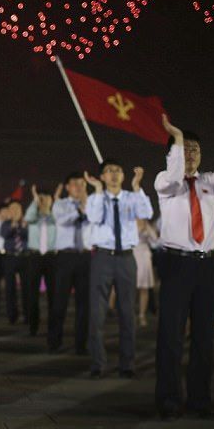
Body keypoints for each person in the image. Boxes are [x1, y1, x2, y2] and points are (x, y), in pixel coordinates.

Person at [154, 110, 214, 420]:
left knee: (204, 337)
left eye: (195, 149)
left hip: (207, 265)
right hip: (177, 265)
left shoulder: (209, 183)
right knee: (171, 335)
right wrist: (177, 140)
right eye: (184, 149)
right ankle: (168, 398)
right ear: (172, 155)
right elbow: (173, 175)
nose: (191, 154)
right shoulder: (166, 183)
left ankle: (199, 398)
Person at [84, 162, 153, 378]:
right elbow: (94, 218)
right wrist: (96, 190)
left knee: (127, 313)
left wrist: (136, 186)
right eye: (109, 171)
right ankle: (97, 362)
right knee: (97, 313)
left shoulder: (132, 197)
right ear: (102, 177)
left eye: (118, 171)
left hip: (126, 258)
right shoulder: (96, 198)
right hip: (102, 257)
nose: (114, 174)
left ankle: (127, 363)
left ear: (123, 175)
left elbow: (147, 212)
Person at [51, 173, 92, 354]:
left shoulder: (93, 204)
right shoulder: (60, 204)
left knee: (84, 304)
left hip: (85, 256)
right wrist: (81, 209)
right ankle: (54, 341)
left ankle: (81, 344)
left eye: (82, 184)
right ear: (67, 187)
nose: (79, 187)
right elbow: (63, 221)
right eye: (75, 184)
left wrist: (86, 205)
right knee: (60, 301)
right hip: (65, 258)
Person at [24, 185, 57, 340]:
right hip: (35, 257)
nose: (43, 201)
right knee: (32, 294)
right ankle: (33, 325)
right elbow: (28, 217)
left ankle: (53, 326)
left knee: (53, 295)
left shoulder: (56, 217)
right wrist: (35, 200)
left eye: (46, 198)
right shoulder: (33, 217)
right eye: (41, 199)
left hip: (52, 258)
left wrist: (52, 204)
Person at [0, 200, 28, 324]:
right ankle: (12, 314)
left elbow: (26, 235)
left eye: (17, 209)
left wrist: (21, 225)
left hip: (24, 257)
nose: (15, 211)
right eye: (12, 209)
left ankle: (28, 315)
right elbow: (5, 234)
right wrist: (13, 224)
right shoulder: (6, 223)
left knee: (27, 287)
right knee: (10, 288)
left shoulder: (26, 223)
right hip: (10, 257)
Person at [134, 218, 159, 328]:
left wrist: (148, 229)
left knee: (144, 288)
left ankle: (142, 315)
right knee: (131, 288)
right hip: (133, 254)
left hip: (144, 256)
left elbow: (155, 242)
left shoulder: (146, 224)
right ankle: (129, 314)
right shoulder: (129, 222)